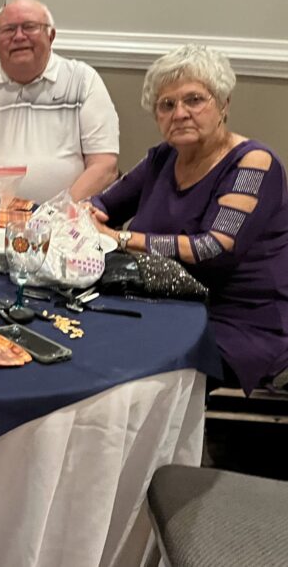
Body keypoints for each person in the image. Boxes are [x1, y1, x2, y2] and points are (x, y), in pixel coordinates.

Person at [91, 44, 288, 395]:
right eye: (166, 105)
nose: (180, 113)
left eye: (194, 100)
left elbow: (215, 248)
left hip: (236, 320)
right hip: (164, 303)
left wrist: (120, 238)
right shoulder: (162, 157)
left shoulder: (254, 163)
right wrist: (87, 214)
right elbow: (102, 205)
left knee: (122, 367)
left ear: (223, 104)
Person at [0, 0, 120, 202]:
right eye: (8, 30)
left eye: (30, 27)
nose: (19, 36)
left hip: (63, 216)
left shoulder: (83, 80)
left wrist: (56, 212)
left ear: (51, 36)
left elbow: (104, 166)